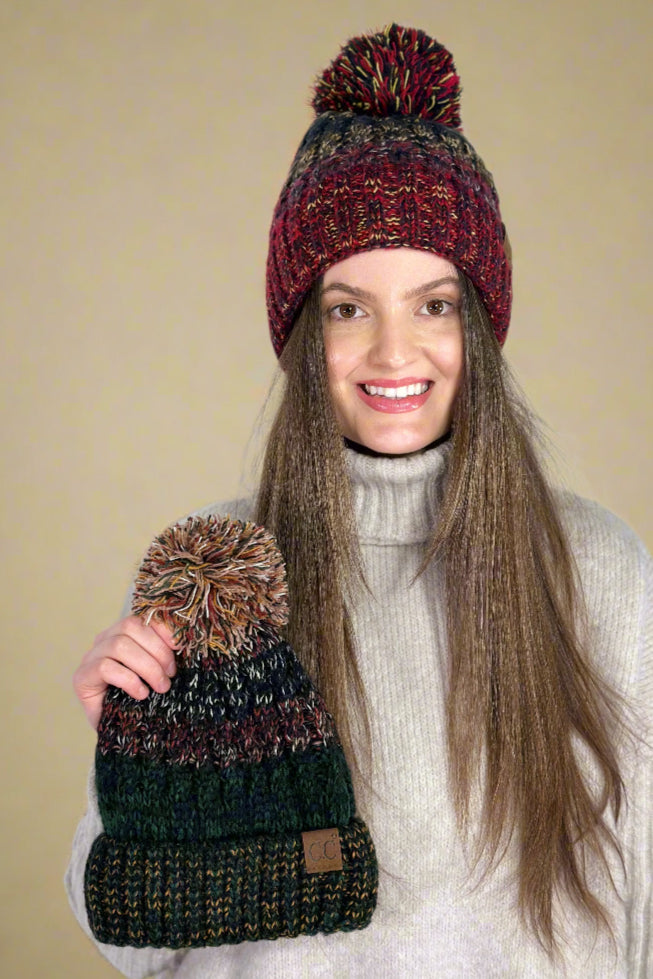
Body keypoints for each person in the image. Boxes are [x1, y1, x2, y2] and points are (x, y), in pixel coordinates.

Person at [66, 23, 651, 978]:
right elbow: (133, 939)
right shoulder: (220, 578)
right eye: (347, 308)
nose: (392, 352)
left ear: (481, 325)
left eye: (434, 304)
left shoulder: (596, 571)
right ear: (305, 332)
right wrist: (138, 755)